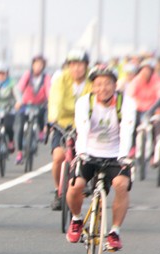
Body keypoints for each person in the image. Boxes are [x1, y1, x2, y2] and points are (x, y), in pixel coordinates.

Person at [65, 65, 136, 250]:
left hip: (116, 154)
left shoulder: (126, 103)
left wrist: (123, 156)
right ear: (93, 87)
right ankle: (76, 219)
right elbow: (83, 129)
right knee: (76, 186)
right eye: (98, 84)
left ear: (115, 85)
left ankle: (114, 232)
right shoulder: (84, 103)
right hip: (89, 151)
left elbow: (127, 131)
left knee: (121, 185)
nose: (103, 88)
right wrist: (81, 154)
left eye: (107, 84)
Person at [47, 48, 92, 210]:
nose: (76, 68)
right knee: (58, 157)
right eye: (73, 65)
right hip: (63, 123)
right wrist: (53, 118)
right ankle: (58, 191)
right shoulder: (61, 79)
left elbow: (93, 102)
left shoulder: (91, 81)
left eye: (80, 65)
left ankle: (86, 180)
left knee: (86, 156)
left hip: (84, 123)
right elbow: (55, 100)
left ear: (86, 66)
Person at [15, 54, 50, 164]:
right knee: (21, 127)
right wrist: (19, 101)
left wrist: (50, 102)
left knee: (41, 115)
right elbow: (19, 88)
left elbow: (49, 90)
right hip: (26, 104)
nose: (38, 67)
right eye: (36, 64)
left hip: (39, 104)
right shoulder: (27, 75)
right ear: (32, 65)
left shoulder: (46, 77)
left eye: (40, 65)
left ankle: (40, 132)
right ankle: (20, 152)